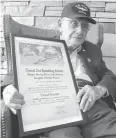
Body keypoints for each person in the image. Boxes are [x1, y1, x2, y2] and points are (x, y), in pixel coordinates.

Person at [1, 2, 116, 138]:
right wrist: (7, 90)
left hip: (91, 104)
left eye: (85, 26)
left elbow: (108, 74)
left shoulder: (93, 49)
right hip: (56, 107)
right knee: (66, 135)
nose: (80, 30)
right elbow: (12, 74)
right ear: (60, 24)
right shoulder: (39, 45)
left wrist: (99, 89)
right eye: (74, 23)